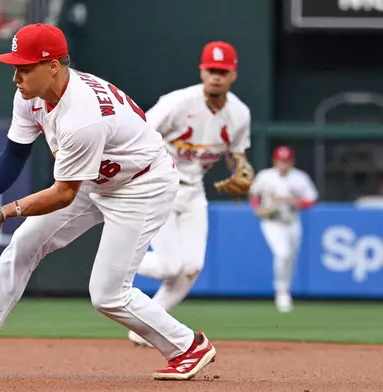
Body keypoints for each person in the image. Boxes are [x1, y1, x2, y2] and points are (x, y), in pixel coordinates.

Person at [0, 23, 216, 381]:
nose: (16, 76)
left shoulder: (82, 117)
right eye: (15, 66)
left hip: (142, 186)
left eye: (24, 67)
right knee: (25, 244)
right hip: (97, 180)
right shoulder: (31, 96)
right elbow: (16, 151)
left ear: (53, 66)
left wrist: (1, 213)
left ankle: (188, 346)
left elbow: (63, 193)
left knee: (108, 295)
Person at [127, 41, 252, 346]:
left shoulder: (239, 114)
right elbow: (135, 130)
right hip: (160, 187)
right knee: (170, 266)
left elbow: (237, 153)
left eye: (223, 71)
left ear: (233, 74)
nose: (217, 77)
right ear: (202, 71)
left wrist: (241, 167)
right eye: (212, 70)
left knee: (191, 268)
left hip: (195, 192)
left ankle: (143, 328)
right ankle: (109, 260)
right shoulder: (176, 103)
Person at [249, 146, 318, 313]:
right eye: (280, 161)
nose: (283, 164)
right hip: (272, 223)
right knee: (282, 254)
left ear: (292, 161)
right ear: (275, 161)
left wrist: (296, 202)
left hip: (292, 222)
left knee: (290, 259)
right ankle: (282, 292)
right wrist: (258, 209)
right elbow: (254, 194)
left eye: (286, 161)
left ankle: (285, 289)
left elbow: (311, 199)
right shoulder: (266, 176)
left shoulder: (300, 178)